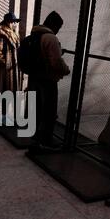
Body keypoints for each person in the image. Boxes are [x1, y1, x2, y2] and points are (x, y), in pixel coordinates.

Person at [28, 11, 70, 151]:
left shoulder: (34, 34)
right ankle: (46, 140)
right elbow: (56, 62)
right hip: (47, 79)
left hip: (34, 77)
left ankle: (35, 137)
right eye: (58, 27)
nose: (58, 30)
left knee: (37, 108)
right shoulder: (50, 38)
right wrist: (66, 70)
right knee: (49, 110)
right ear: (54, 25)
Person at [0, 12, 22, 93]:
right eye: (13, 22)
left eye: (16, 22)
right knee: (6, 94)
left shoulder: (14, 35)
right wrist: (5, 63)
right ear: (8, 23)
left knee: (12, 95)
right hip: (6, 72)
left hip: (14, 70)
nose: (15, 24)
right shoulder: (2, 35)